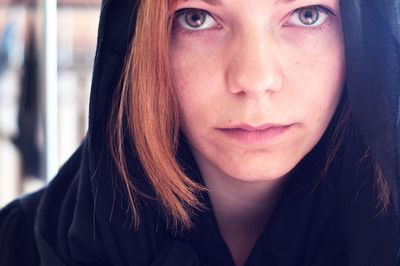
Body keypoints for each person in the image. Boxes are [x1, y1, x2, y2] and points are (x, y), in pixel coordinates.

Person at [1, 0, 399, 265]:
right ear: (137, 41)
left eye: (307, 14)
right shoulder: (14, 246)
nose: (254, 78)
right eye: (198, 17)